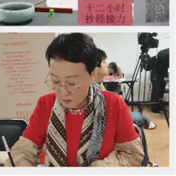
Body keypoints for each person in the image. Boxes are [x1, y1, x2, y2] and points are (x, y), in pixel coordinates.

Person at [8, 33, 143, 167]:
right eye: (55, 81)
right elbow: (23, 151)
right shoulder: (46, 104)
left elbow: (132, 154)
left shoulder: (112, 104)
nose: (62, 91)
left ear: (93, 75)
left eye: (71, 83)